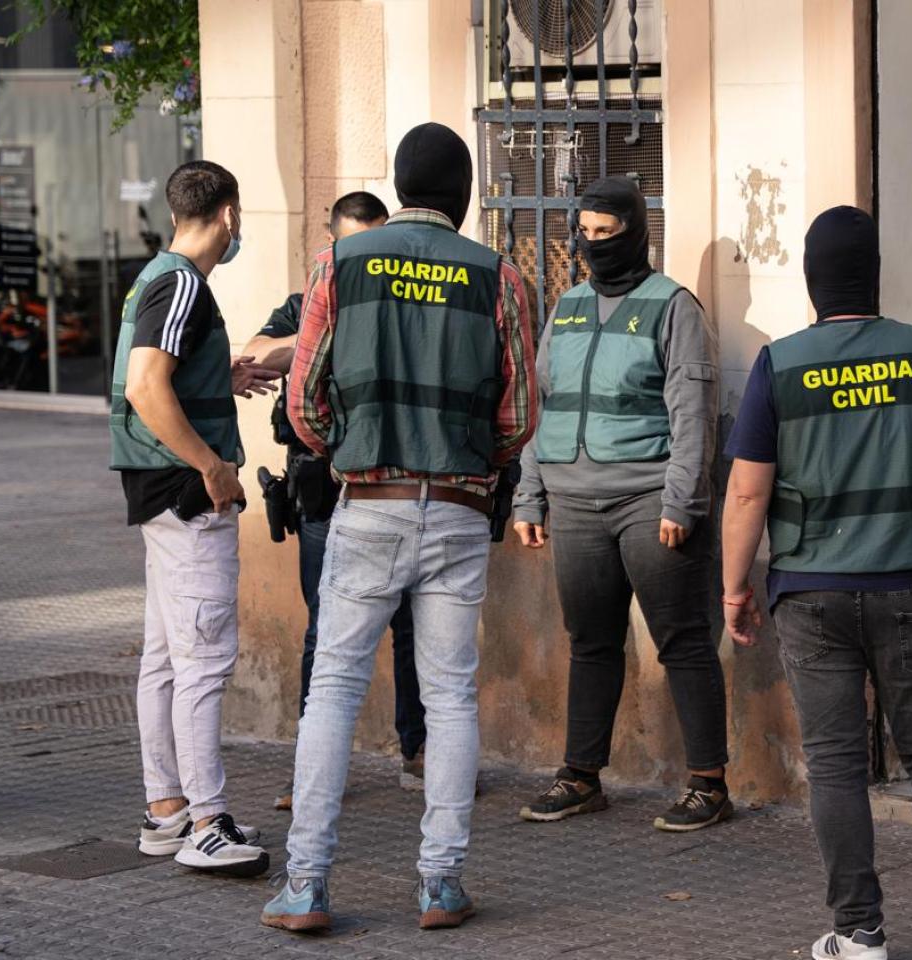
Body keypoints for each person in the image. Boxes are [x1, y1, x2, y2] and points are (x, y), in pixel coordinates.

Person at [723, 206, 912, 960]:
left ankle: (858, 933)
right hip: (908, 584)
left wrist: (734, 587)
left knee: (835, 763)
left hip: (810, 593)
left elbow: (746, 493)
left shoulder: (779, 365)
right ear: (875, 275)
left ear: (811, 280)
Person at [261, 122, 537, 933]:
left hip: (368, 502)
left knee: (334, 689)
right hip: (458, 508)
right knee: (449, 697)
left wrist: (346, 448)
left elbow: (303, 400)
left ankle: (306, 885)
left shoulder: (339, 264)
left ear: (400, 185)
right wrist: (470, 463)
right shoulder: (499, 276)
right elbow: (520, 416)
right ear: (466, 194)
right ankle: (440, 884)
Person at [512, 176, 730, 830]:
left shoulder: (674, 307)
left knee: (682, 639)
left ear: (636, 233)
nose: (593, 244)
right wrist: (530, 494)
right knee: (590, 641)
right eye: (584, 232)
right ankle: (581, 775)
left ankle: (709, 783)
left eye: (606, 232)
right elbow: (545, 405)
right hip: (573, 503)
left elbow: (693, 413)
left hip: (648, 499)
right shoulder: (569, 305)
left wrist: (682, 501)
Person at [110, 159, 277, 877]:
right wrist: (212, 468)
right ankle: (208, 824)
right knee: (203, 663)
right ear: (228, 215)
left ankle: (167, 810)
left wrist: (221, 376)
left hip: (159, 495)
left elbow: (163, 373)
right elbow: (146, 385)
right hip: (186, 496)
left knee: (166, 660)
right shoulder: (182, 283)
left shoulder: (158, 277)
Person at [243, 192, 430, 811]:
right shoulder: (306, 302)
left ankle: (418, 753)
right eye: (355, 246)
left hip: (390, 484)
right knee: (324, 630)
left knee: (411, 625)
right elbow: (254, 352)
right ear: (331, 244)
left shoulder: (407, 302)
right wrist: (325, 328)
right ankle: (314, 768)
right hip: (322, 494)